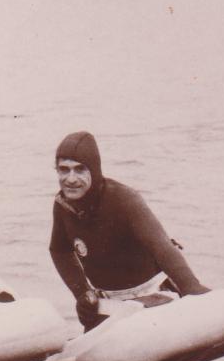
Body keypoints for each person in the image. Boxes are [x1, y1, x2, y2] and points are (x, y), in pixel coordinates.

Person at [49, 130, 210, 331]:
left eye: (80, 170)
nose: (70, 179)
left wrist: (191, 288)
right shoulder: (63, 205)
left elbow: (161, 246)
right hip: (108, 302)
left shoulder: (123, 199)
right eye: (64, 170)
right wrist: (82, 293)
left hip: (153, 294)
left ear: (95, 170)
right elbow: (59, 251)